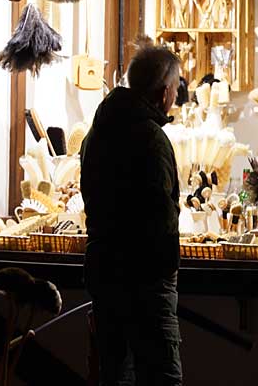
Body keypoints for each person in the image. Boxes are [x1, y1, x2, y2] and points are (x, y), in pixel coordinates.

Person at [80, 44, 182, 385]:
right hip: (146, 282)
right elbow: (161, 216)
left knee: (114, 375)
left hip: (105, 274)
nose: (177, 94)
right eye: (177, 87)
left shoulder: (96, 133)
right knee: (161, 377)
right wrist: (168, 267)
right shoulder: (152, 138)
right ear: (164, 91)